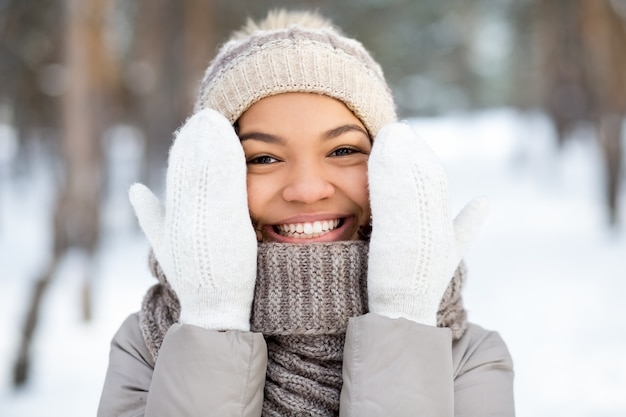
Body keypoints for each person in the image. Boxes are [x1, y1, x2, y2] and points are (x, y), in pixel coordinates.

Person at [97, 9, 515, 417]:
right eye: (262, 157)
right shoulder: (150, 346)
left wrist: (404, 319)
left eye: (344, 150)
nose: (307, 190)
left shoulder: (466, 357)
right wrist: (211, 323)